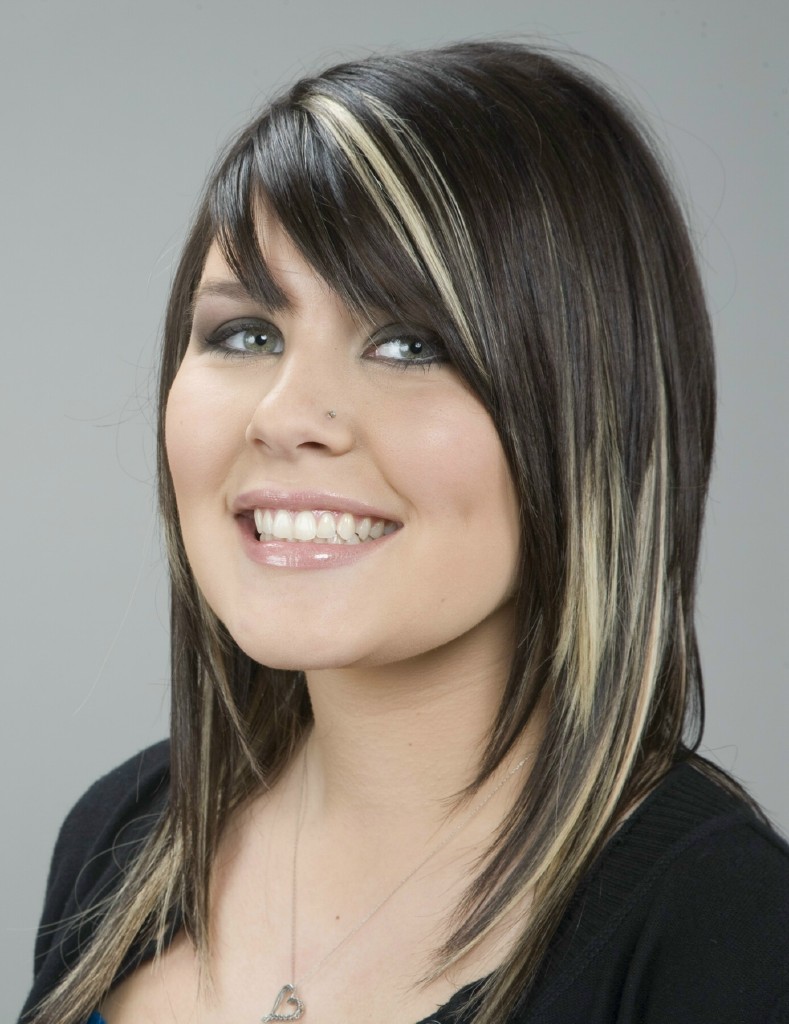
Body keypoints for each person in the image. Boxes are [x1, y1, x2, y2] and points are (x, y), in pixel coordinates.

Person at [19, 40, 789, 1024]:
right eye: (248, 333)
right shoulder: (125, 832)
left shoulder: (722, 936)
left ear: (592, 416)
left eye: (409, 342)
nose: (288, 413)